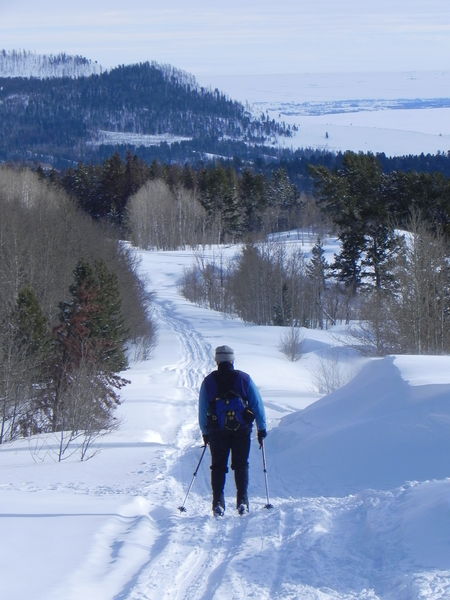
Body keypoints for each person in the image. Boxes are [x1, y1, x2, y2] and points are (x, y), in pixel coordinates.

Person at [198, 345, 267, 516]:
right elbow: (257, 404)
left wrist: (205, 432)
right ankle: (242, 501)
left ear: (217, 360)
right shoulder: (244, 379)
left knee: (218, 466)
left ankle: (217, 503)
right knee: (241, 464)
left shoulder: (208, 381)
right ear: (232, 359)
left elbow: (202, 409)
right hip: (241, 429)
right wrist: (261, 428)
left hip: (217, 430)